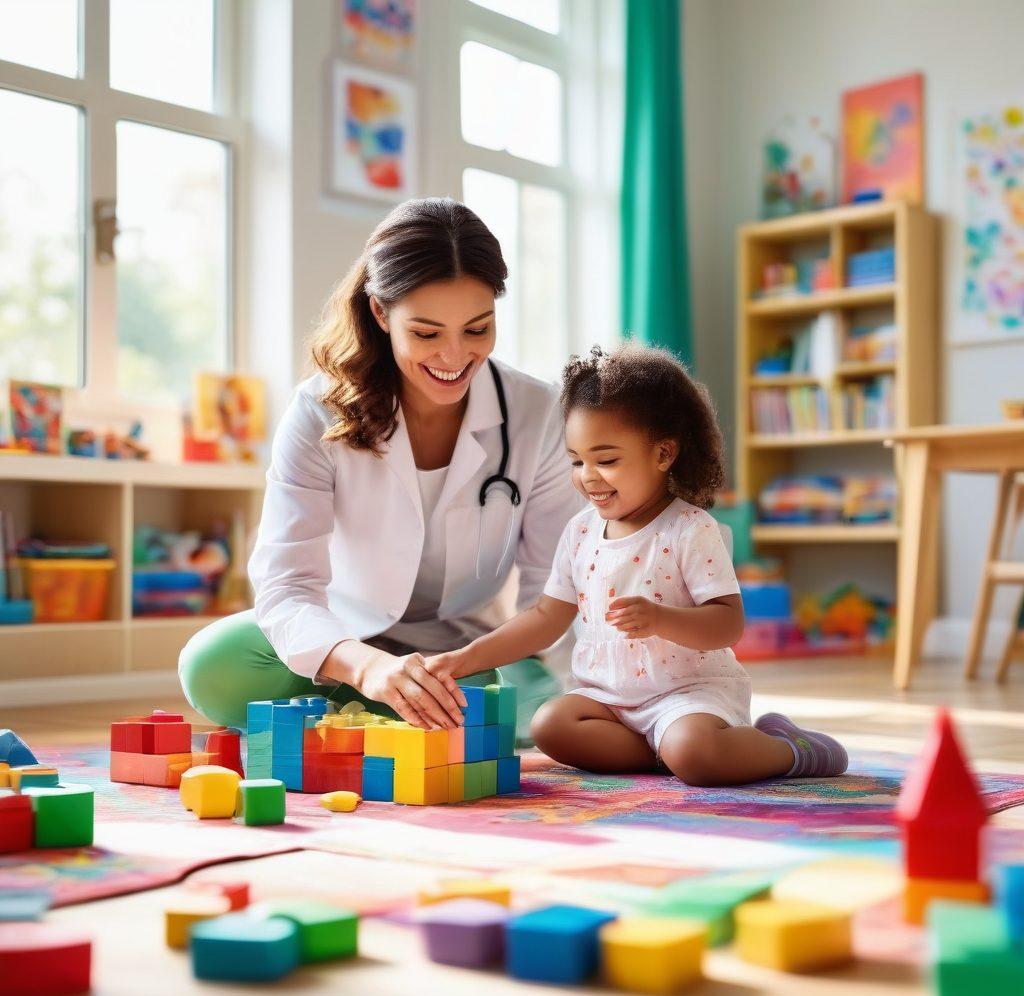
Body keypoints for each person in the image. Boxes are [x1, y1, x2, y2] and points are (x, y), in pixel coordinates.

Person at [179, 197, 580, 740]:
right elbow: (287, 584)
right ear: (379, 313)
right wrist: (367, 668)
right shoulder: (317, 410)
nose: (455, 355)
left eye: (478, 328)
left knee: (547, 712)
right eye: (427, 333)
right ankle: (392, 707)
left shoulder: (539, 413)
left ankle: (384, 716)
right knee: (215, 667)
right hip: (346, 643)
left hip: (469, 654)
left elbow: (553, 590)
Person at [427, 345, 849, 786]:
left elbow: (728, 625)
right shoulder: (579, 532)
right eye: (577, 460)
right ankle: (663, 753)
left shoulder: (689, 529)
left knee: (697, 754)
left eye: (606, 460)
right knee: (549, 724)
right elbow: (544, 619)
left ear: (663, 454)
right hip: (606, 700)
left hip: (686, 695)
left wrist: (660, 618)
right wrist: (463, 658)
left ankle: (788, 748)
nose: (587, 475)